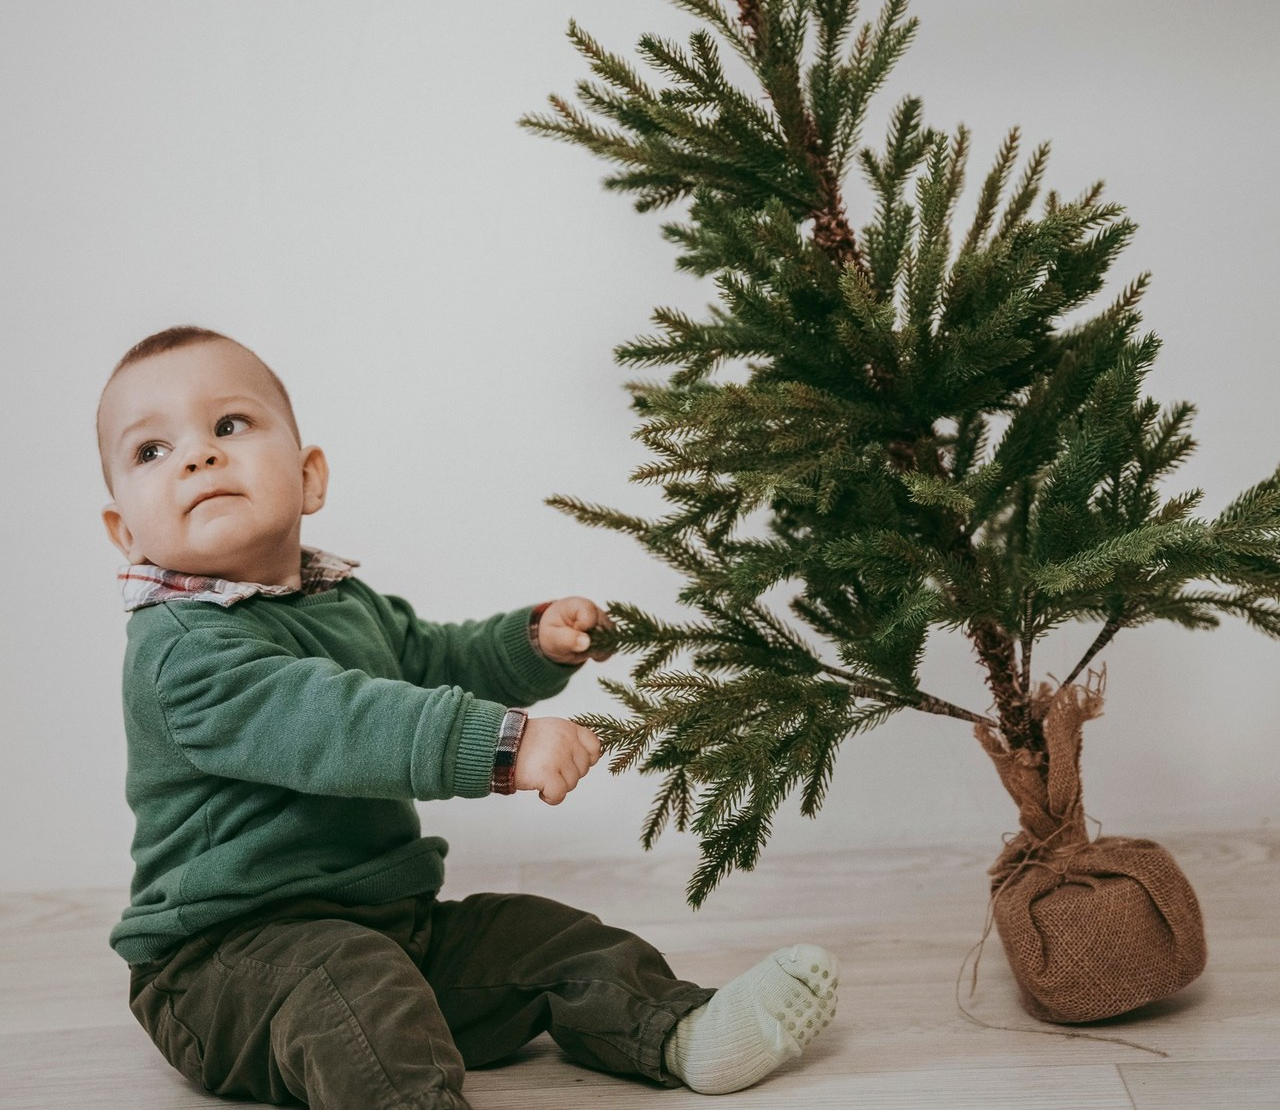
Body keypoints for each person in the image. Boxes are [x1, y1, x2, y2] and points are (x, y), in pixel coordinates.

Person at [97, 325, 839, 1108]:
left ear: (310, 478)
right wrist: (503, 746)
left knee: (550, 941)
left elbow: (435, 661)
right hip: (225, 965)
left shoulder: (342, 602)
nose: (197, 456)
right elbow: (336, 723)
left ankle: (680, 1031)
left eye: (229, 426)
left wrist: (533, 644)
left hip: (391, 928)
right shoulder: (179, 649)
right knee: (351, 989)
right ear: (124, 531)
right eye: (151, 451)